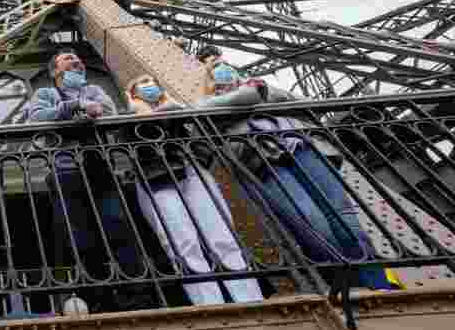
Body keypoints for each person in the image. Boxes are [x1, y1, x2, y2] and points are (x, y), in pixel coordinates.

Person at [193, 46, 390, 291]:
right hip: (262, 160)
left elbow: (303, 104)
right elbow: (214, 112)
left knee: (345, 219)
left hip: (302, 148)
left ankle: (378, 284)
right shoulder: (210, 102)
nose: (224, 70)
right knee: (311, 224)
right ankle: (346, 286)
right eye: (216, 71)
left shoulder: (257, 87)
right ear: (209, 81)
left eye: (227, 67)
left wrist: (249, 99)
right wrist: (256, 96)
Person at [24, 51, 151, 314]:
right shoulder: (46, 93)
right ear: (54, 71)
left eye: (79, 60)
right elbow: (35, 119)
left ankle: (136, 294)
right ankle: (98, 297)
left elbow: (108, 112)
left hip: (99, 166)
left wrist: (72, 113)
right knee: (79, 236)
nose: (77, 61)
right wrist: (76, 107)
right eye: (69, 59)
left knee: (118, 226)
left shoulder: (94, 88)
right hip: (66, 170)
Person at [126, 74, 263, 306]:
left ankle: (250, 301)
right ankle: (210, 305)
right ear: (133, 92)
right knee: (183, 242)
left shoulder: (177, 109)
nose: (151, 86)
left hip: (190, 170)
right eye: (144, 83)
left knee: (222, 236)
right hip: (154, 177)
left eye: (153, 83)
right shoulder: (127, 114)